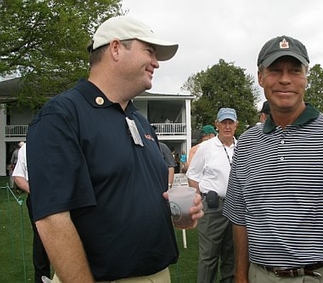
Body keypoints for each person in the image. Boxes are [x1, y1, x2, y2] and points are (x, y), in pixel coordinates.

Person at [26, 15, 203, 283]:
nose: (156, 63)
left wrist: (179, 215)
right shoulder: (61, 116)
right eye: (149, 51)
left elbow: (127, 199)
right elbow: (52, 220)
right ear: (116, 48)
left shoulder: (139, 120)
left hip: (159, 273)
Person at [223, 35, 323, 283]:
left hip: (320, 276)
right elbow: (241, 217)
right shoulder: (248, 144)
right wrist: (241, 276)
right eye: (275, 70)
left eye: (295, 71)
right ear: (260, 77)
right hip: (260, 276)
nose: (285, 80)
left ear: (306, 76)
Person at [186, 107, 238, 283]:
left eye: (230, 122)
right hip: (212, 207)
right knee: (208, 257)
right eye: (224, 122)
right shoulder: (206, 147)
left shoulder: (241, 147)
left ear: (236, 125)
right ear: (217, 124)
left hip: (235, 207)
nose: (227, 126)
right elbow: (192, 175)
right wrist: (199, 199)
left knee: (231, 258)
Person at [12, 143, 51, 283]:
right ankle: (41, 278)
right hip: (37, 198)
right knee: (41, 238)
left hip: (63, 195)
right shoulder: (26, 148)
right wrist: (36, 192)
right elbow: (18, 176)